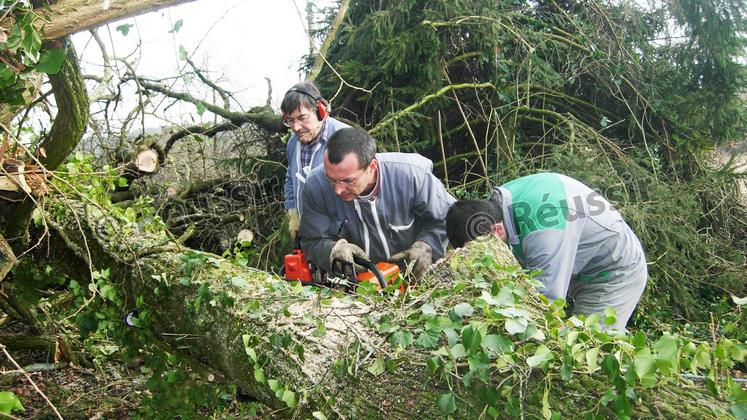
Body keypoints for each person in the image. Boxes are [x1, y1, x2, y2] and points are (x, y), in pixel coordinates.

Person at [446, 173, 647, 329]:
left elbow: (546, 302)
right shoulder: (495, 207)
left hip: (614, 271)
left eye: (480, 251)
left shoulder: (543, 232)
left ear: (496, 230)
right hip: (581, 262)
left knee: (590, 343)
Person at [299, 127, 456, 279]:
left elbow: (447, 218)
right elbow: (312, 239)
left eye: (348, 181)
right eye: (331, 179)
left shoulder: (411, 176)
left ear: (372, 167)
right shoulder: (316, 185)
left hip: (413, 281)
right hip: (357, 288)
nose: (338, 190)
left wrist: (426, 247)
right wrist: (333, 251)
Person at [281, 82, 349, 243]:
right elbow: (291, 178)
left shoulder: (345, 138)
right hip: (309, 232)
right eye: (289, 120)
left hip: (342, 233)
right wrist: (292, 212)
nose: (296, 127)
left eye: (302, 118)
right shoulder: (293, 143)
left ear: (320, 111)